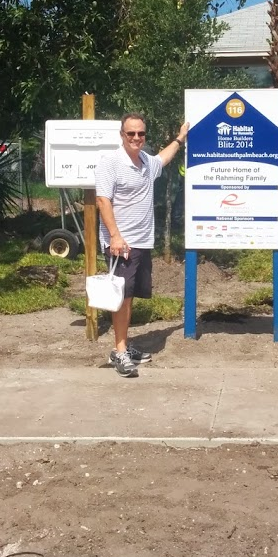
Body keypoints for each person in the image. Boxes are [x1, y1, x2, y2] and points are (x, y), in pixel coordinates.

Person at [95, 113, 189, 378]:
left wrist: (180, 138)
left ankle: (124, 343)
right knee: (121, 298)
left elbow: (164, 158)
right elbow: (103, 201)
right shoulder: (110, 163)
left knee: (130, 295)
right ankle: (120, 351)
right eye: (131, 134)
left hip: (142, 242)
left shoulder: (147, 162)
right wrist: (114, 236)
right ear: (122, 135)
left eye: (141, 134)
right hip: (121, 244)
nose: (136, 138)